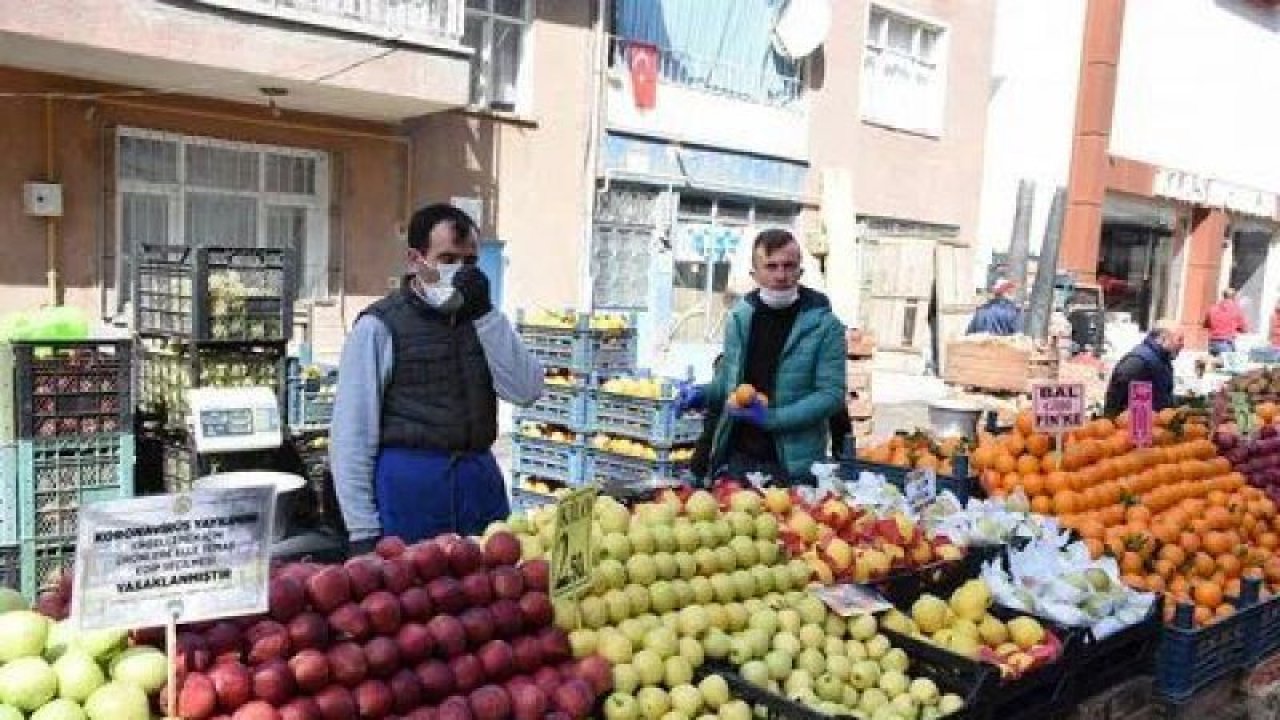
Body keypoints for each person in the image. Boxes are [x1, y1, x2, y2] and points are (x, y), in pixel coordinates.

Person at [331, 203, 543, 554]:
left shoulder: (484, 322)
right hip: (411, 492)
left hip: (479, 487)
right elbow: (352, 434)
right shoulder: (379, 327)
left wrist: (485, 314)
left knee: (489, 586)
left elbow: (527, 389)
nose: (460, 271)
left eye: (470, 261)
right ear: (415, 260)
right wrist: (362, 530)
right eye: (447, 259)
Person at [676, 229, 846, 484]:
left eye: (789, 266)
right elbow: (729, 383)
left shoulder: (825, 326)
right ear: (754, 273)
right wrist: (701, 394)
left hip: (794, 465)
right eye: (771, 266)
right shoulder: (740, 319)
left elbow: (831, 395)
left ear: (800, 271)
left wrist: (773, 419)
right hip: (739, 458)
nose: (781, 275)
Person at [1103, 322, 1185, 418]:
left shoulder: (1161, 360)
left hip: (1154, 423)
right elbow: (1117, 399)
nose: (1182, 344)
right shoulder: (1141, 361)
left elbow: (1160, 396)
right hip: (1132, 425)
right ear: (1163, 338)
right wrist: (1111, 420)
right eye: (1179, 339)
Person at [1204, 288, 1248, 356]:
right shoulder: (1236, 309)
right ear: (1234, 297)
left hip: (1212, 343)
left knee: (1214, 362)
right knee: (1228, 362)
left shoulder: (1213, 308)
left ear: (1223, 296)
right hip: (1226, 343)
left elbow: (1206, 325)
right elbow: (1244, 329)